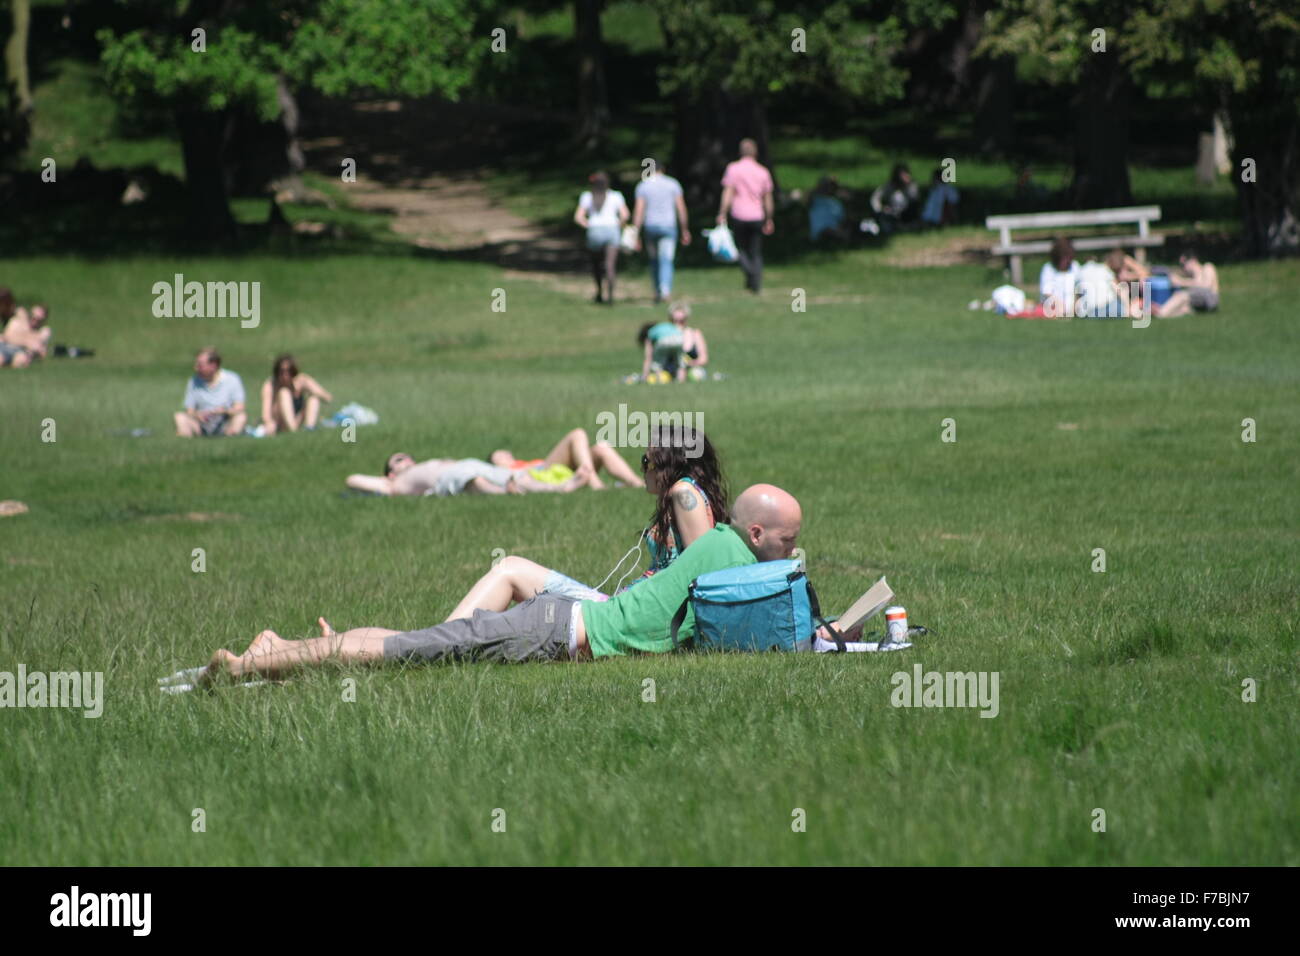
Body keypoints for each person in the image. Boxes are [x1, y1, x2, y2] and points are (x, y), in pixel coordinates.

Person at [200, 484, 801, 684]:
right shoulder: (729, 554)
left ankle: (281, 649)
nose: (794, 553)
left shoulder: (726, 549)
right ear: (756, 532)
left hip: (565, 622)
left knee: (420, 644)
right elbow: (772, 618)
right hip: (556, 629)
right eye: (789, 542)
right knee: (406, 652)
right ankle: (254, 664)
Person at [444, 425, 728, 621]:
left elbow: (700, 572)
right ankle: (438, 639)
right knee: (515, 576)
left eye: (647, 461)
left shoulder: (683, 493)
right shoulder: (686, 494)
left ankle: (438, 639)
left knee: (511, 569)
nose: (643, 469)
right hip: (629, 608)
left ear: (670, 464)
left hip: (629, 615)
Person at [346, 453, 590, 497]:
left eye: (407, 456)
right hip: (450, 479)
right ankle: (505, 493)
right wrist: (384, 481)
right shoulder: (394, 483)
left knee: (516, 476)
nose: (407, 460)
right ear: (390, 472)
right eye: (399, 460)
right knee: (475, 483)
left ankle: (561, 488)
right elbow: (352, 479)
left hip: (467, 464)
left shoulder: (420, 465)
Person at [489, 427, 644, 491]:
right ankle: (595, 484)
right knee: (578, 434)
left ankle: (637, 484)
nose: (506, 455)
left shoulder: (523, 462)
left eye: (506, 452)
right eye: (499, 456)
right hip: (544, 472)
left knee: (601, 448)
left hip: (553, 470)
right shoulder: (505, 473)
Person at [717, 138, 775, 294]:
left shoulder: (733, 169)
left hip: (739, 214)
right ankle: (755, 280)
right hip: (757, 215)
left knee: (741, 248)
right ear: (755, 152)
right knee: (756, 250)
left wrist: (722, 212)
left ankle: (751, 275)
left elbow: (728, 193)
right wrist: (769, 218)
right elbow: (767, 198)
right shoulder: (763, 171)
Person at [631, 159, 691, 303]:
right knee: (666, 259)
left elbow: (639, 211)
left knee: (654, 260)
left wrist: (635, 233)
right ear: (662, 169)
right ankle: (665, 290)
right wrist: (685, 229)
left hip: (650, 227)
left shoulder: (643, 185)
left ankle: (657, 290)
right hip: (668, 226)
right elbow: (681, 209)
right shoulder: (673, 184)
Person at [574, 171, 629, 304]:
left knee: (596, 264)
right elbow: (625, 215)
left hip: (594, 230)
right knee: (610, 265)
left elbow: (578, 217)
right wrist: (619, 225)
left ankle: (599, 292)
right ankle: (610, 295)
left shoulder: (587, 196)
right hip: (612, 230)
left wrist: (588, 225)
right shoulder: (616, 196)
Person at [173, 348, 247, 438]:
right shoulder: (194, 381)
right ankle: (186, 440)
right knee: (179, 417)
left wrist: (224, 411)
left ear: (213, 365)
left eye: (200, 365)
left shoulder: (232, 379)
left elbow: (239, 407)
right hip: (202, 423)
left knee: (241, 417)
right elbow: (189, 410)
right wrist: (198, 415)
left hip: (224, 421)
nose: (196, 368)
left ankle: (230, 437)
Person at [258, 354, 333, 435]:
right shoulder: (270, 385)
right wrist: (270, 425)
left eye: (289, 371)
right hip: (280, 424)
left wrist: (311, 390)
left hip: (298, 419)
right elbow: (266, 415)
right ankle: (293, 432)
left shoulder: (301, 380)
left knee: (313, 399)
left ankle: (309, 429)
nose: (285, 375)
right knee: (284, 392)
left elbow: (328, 397)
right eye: (282, 371)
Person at [1156, 250, 1220, 316]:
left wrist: (1181, 282)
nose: (1183, 268)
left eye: (1183, 264)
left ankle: (1160, 312)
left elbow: (1206, 286)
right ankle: (1160, 314)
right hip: (1199, 303)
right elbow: (1176, 271)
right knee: (1183, 308)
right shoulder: (1191, 276)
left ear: (1193, 261)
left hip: (1210, 299)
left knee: (1182, 295)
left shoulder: (1207, 267)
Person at [867, 163, 920, 235]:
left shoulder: (912, 186)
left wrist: (906, 186)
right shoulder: (890, 186)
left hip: (907, 213)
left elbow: (914, 200)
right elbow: (875, 197)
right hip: (893, 213)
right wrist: (880, 208)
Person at [1, 293, 49, 367]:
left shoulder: (44, 331)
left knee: (19, 361)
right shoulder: (18, 321)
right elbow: (7, 336)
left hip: (18, 351)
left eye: (38, 320)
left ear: (43, 320)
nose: (34, 322)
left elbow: (38, 347)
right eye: (33, 317)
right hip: (5, 347)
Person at [1039, 236, 1080, 318]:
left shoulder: (1075, 267)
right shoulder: (1048, 268)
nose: (1064, 263)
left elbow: (1079, 290)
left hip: (1073, 307)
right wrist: (1060, 307)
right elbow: (1047, 293)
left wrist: (1074, 306)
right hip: (1053, 306)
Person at [808, 176, 848, 242]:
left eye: (829, 186)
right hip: (820, 233)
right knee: (828, 233)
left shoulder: (837, 203)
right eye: (825, 185)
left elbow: (842, 221)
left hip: (835, 231)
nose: (827, 188)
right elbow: (807, 197)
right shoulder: (814, 199)